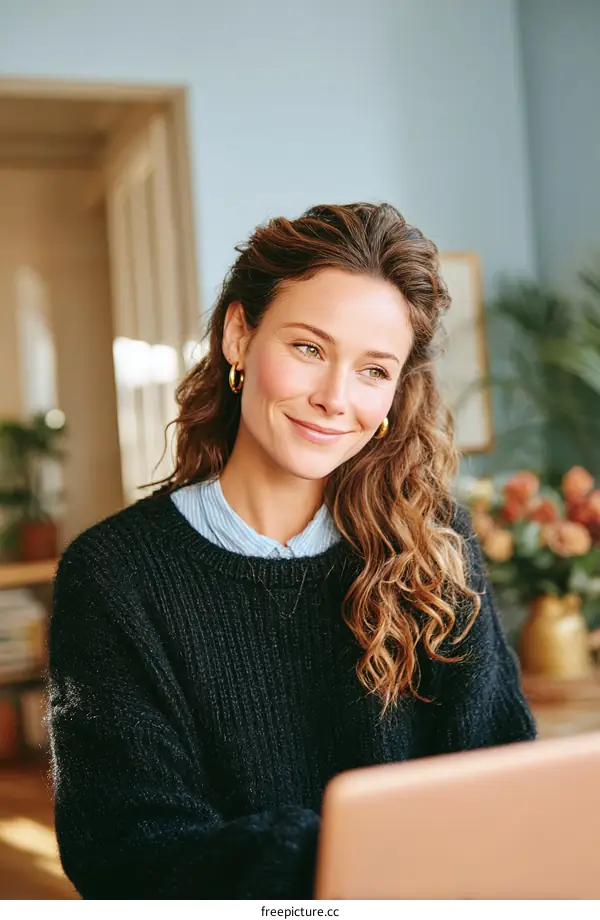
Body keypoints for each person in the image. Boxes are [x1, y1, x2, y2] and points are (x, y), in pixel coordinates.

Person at [48, 202, 536, 900]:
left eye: (374, 370)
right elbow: (127, 850)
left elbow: (503, 786)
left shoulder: (439, 546)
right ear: (240, 337)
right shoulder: (114, 576)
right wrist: (359, 858)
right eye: (309, 348)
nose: (335, 398)